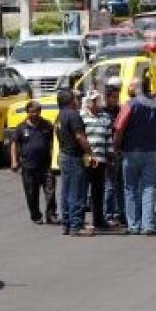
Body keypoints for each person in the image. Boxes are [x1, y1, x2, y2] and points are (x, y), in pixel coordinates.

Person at [113, 78, 156, 236]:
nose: (129, 87)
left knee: (130, 188)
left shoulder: (130, 104)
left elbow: (119, 128)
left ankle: (134, 225)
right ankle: (148, 225)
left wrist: (116, 146)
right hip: (150, 150)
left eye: (131, 85)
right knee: (148, 188)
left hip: (131, 150)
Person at [10, 101, 57, 224]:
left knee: (50, 190)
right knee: (31, 193)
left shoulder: (47, 125)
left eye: (36, 111)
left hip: (46, 165)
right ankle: (36, 216)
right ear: (27, 112)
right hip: (29, 166)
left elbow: (56, 142)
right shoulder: (21, 127)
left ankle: (51, 215)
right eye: (31, 112)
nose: (34, 114)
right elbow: (14, 143)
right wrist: (14, 161)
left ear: (40, 112)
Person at [55, 89, 95, 236]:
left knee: (66, 191)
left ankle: (66, 223)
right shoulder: (73, 115)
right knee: (77, 192)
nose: (78, 101)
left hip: (64, 155)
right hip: (73, 156)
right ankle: (76, 225)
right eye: (76, 98)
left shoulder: (59, 116)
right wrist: (90, 153)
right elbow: (79, 136)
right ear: (70, 100)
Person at [80, 90, 111, 229]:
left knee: (98, 190)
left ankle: (98, 219)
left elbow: (109, 138)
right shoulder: (81, 116)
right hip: (87, 159)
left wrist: (110, 156)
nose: (95, 102)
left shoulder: (105, 117)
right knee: (83, 189)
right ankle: (80, 219)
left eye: (97, 100)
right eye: (92, 100)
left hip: (101, 159)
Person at [102, 77, 124, 226]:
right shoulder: (103, 113)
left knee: (121, 185)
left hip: (121, 152)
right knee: (109, 186)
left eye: (117, 97)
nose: (116, 100)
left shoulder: (121, 110)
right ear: (107, 98)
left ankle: (121, 213)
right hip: (108, 154)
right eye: (113, 97)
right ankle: (108, 214)